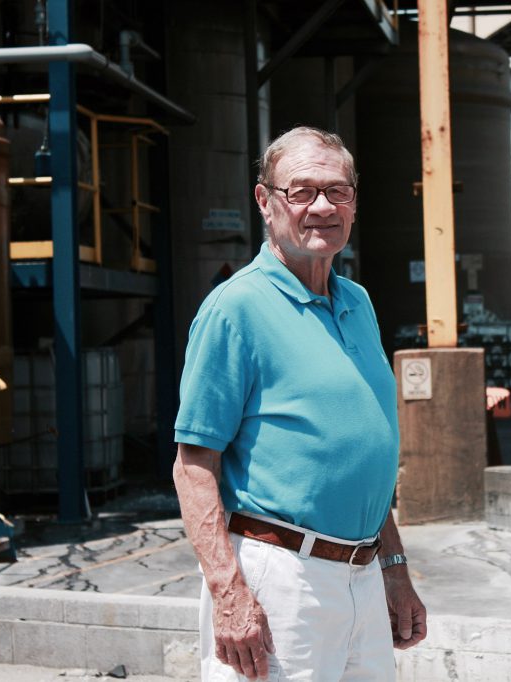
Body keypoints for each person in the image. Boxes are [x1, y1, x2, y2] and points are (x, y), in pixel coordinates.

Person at [173, 126, 426, 681]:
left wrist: (395, 566)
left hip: (362, 575)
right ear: (266, 201)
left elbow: (360, 450)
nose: (321, 207)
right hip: (282, 577)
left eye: (337, 191)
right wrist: (229, 593)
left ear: (354, 203)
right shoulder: (236, 309)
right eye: (302, 191)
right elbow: (194, 468)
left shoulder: (356, 302)